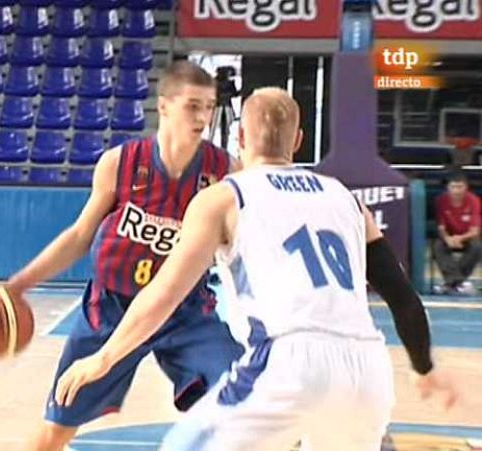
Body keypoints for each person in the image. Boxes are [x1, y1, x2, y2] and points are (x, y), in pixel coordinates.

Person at [54, 87, 459, 451]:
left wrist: (105, 357)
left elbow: (164, 293)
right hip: (366, 370)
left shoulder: (223, 197)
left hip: (288, 360)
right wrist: (423, 369)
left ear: (240, 139)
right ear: (298, 142)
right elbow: (403, 297)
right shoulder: (346, 199)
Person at [0, 60, 245, 451]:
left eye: (209, 106)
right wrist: (18, 286)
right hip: (111, 309)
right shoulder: (120, 163)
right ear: (164, 106)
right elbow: (80, 236)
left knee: (248, 401)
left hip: (185, 312)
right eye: (192, 105)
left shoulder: (225, 172)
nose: (202, 116)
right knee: (57, 427)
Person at [434, 170, 481, 294]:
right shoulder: (441, 201)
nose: (456, 191)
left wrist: (460, 238)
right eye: (453, 187)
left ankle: (451, 283)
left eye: (460, 187)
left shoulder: (474, 200)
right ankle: (460, 283)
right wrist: (448, 238)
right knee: (438, 246)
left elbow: (475, 231)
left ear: (466, 187)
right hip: (449, 236)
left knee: (477, 246)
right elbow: (441, 226)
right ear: (448, 188)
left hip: (467, 237)